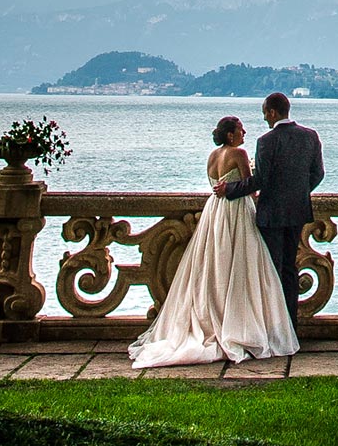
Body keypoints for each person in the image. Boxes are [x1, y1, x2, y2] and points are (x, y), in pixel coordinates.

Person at [125, 113, 299, 367]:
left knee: (214, 266)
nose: (244, 133)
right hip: (237, 210)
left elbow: (217, 184)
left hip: (215, 211)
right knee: (243, 267)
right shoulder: (238, 155)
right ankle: (242, 324)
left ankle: (215, 317)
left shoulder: (212, 156)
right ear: (231, 134)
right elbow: (251, 187)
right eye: (241, 129)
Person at [215, 91, 325, 329]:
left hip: (271, 213)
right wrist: (298, 194)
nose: (265, 119)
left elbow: (259, 181)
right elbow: (318, 174)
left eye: (265, 113)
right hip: (297, 212)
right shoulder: (310, 136)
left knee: (270, 270)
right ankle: (289, 326)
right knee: (289, 269)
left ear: (273, 112)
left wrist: (230, 189)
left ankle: (272, 327)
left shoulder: (266, 141)